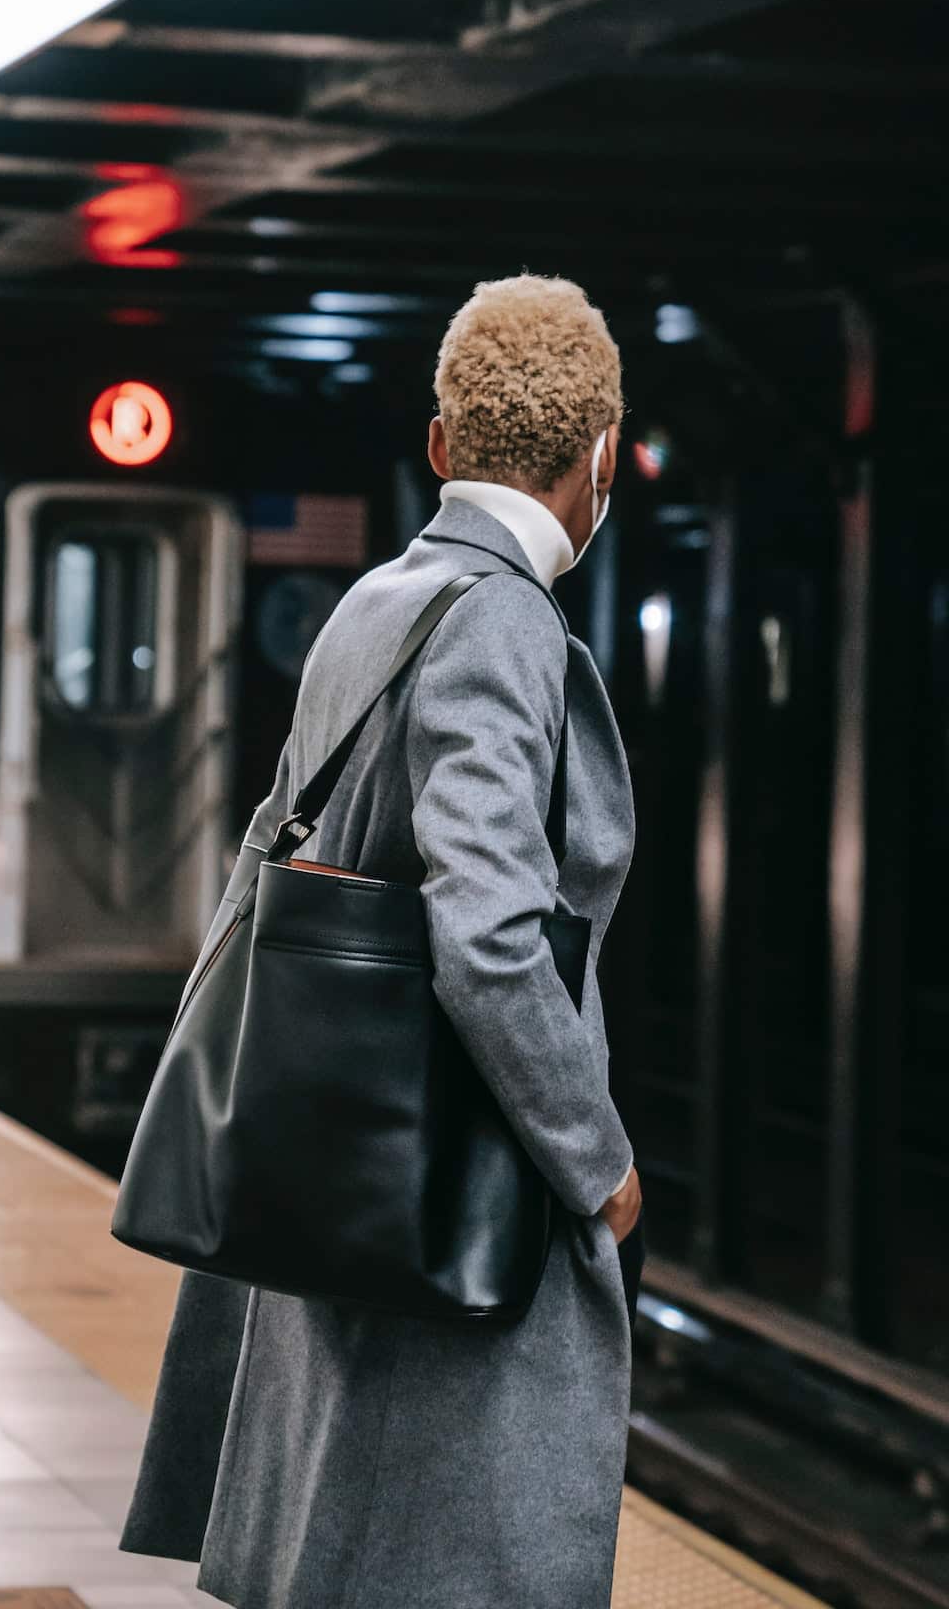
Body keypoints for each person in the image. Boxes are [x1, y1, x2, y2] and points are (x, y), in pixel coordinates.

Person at [121, 272, 645, 1609]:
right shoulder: (505, 625)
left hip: (333, 1154)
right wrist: (593, 1158)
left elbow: (264, 858)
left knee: (341, 1541)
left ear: (439, 448)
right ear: (597, 458)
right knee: (463, 1557)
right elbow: (486, 929)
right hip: (445, 1179)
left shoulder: (380, 600)